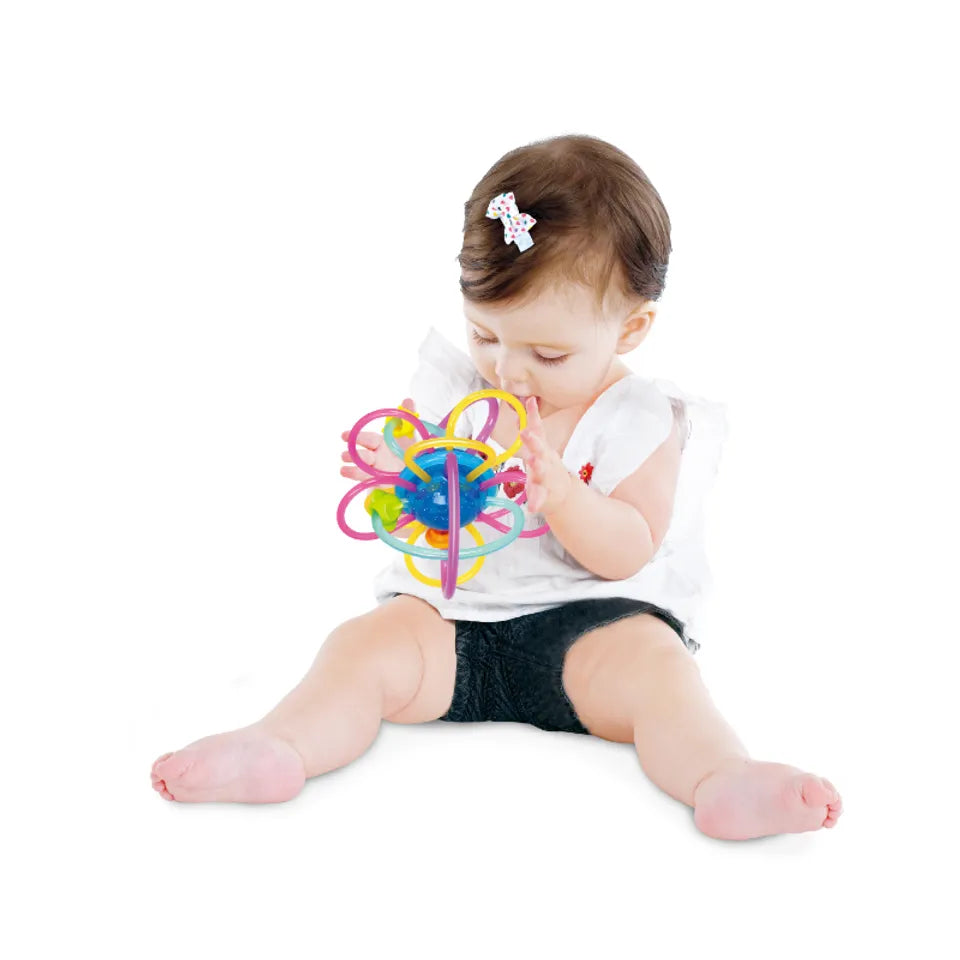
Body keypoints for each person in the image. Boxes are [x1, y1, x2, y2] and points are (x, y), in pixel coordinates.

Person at [151, 134, 842, 840]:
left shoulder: (637, 419)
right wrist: (400, 467)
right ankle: (279, 745)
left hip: (592, 636)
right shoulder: (463, 394)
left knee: (661, 672)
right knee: (359, 646)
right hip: (449, 627)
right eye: (485, 335)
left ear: (630, 328)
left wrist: (564, 496)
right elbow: (432, 499)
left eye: (548, 353)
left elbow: (630, 547)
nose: (508, 371)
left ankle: (720, 776)